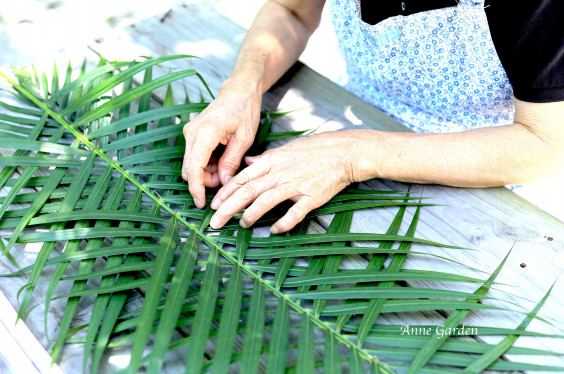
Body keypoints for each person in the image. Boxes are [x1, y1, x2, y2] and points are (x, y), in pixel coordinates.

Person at [181, 0, 564, 234]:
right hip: (350, 119)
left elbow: (547, 145)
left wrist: (353, 154)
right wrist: (242, 88)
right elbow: (291, 12)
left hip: (488, 172)